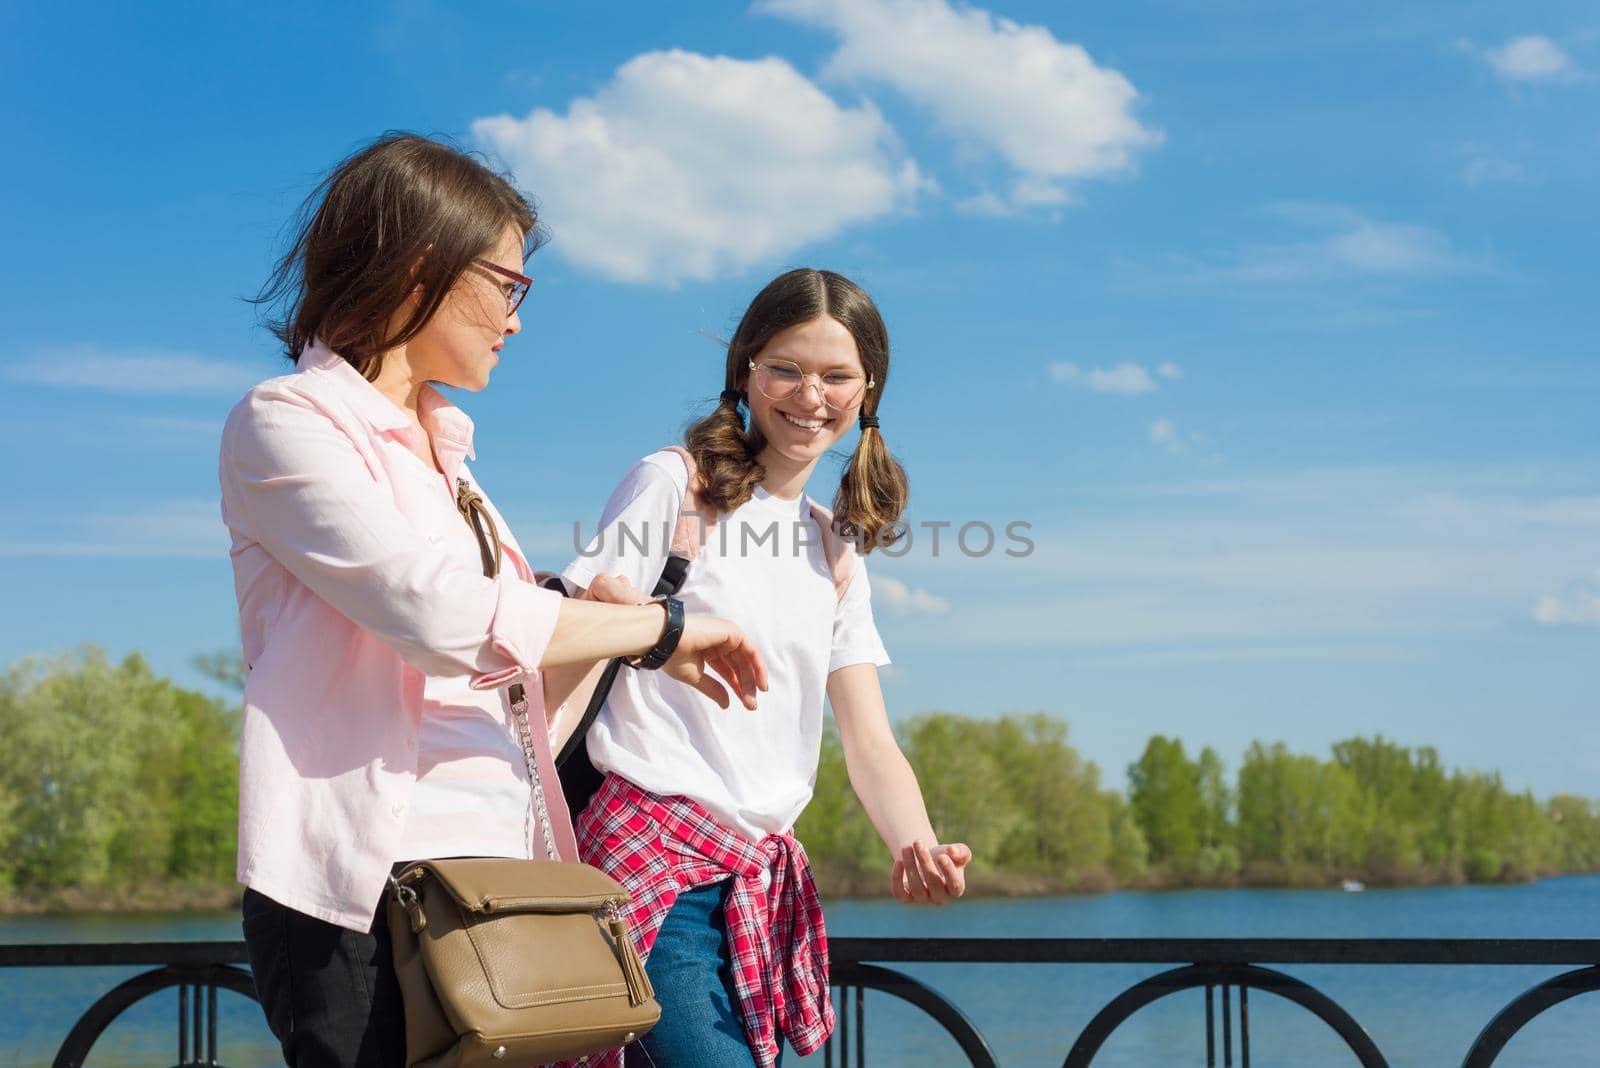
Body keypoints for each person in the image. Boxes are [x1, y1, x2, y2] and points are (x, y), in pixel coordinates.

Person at [219, 133, 767, 1068]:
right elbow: (438, 618)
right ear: (423, 263)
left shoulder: (461, 475)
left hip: (500, 873)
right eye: (507, 285)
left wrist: (589, 633)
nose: (516, 321)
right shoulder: (285, 422)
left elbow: (513, 707)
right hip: (364, 885)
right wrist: (654, 629)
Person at [558, 268, 973, 1068]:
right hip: (649, 863)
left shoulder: (833, 549)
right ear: (746, 370)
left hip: (758, 879)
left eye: (836, 375)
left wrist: (916, 844)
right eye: (785, 367)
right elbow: (572, 620)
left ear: (867, 389)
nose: (809, 395)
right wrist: (650, 626)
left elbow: (868, 740)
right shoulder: (673, 486)